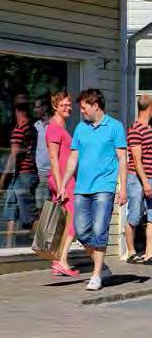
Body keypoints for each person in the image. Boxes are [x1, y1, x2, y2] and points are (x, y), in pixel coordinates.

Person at [58, 89, 127, 291]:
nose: (81, 111)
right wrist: (63, 184)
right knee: (81, 230)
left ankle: (96, 275)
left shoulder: (115, 127)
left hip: (104, 187)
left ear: (95, 105)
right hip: (82, 188)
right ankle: (102, 266)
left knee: (99, 230)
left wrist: (122, 188)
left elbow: (123, 158)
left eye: (84, 107)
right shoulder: (80, 128)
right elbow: (73, 158)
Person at [125, 94, 152, 265]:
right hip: (137, 178)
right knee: (134, 215)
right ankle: (131, 252)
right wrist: (146, 183)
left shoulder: (150, 130)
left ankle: (149, 253)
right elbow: (137, 160)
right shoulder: (135, 129)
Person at [46, 91, 78, 277]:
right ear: (55, 106)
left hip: (65, 179)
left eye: (69, 104)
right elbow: (53, 158)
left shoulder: (61, 126)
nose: (68, 107)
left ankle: (58, 261)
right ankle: (62, 260)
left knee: (63, 221)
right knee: (73, 219)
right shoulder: (54, 128)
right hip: (62, 180)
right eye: (63, 105)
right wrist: (61, 186)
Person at [2, 94, 39, 244]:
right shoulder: (31, 127)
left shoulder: (20, 129)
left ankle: (46, 246)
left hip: (23, 176)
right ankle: (9, 247)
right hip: (23, 176)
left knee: (28, 216)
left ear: (15, 109)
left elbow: (13, 157)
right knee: (12, 212)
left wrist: (2, 178)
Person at [33, 95, 52, 213]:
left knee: (51, 206)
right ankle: (41, 231)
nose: (35, 110)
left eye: (38, 107)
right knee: (40, 205)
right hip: (40, 172)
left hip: (53, 171)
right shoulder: (36, 126)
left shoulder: (54, 124)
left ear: (44, 108)